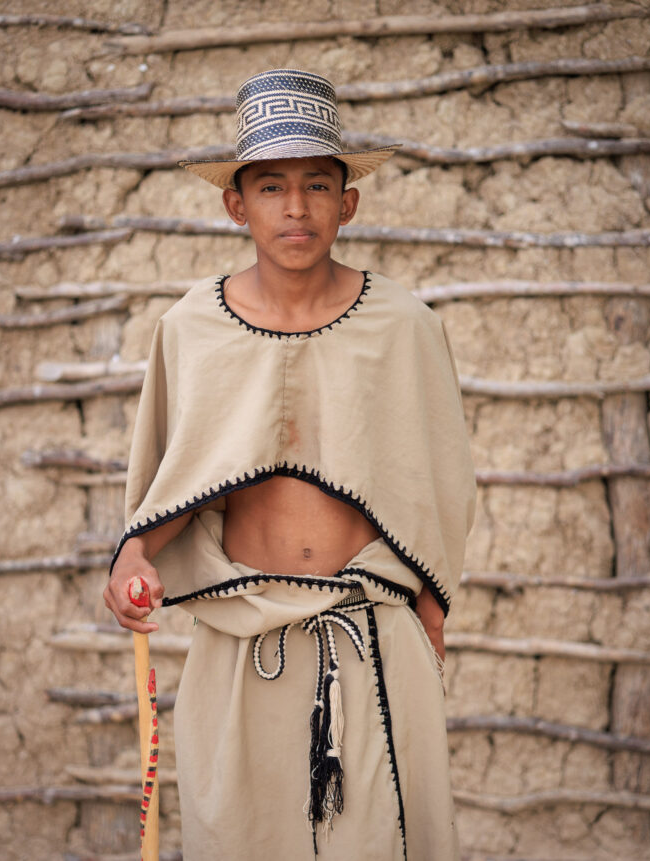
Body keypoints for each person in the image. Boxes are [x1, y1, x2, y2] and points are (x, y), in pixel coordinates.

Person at [104, 68, 476, 861]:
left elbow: (434, 486)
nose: (296, 207)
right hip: (241, 643)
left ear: (348, 201)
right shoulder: (190, 328)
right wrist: (132, 556)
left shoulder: (405, 326)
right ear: (236, 204)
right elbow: (173, 472)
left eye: (317, 184)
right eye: (270, 186)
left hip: (371, 632)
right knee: (241, 838)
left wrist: (430, 627)